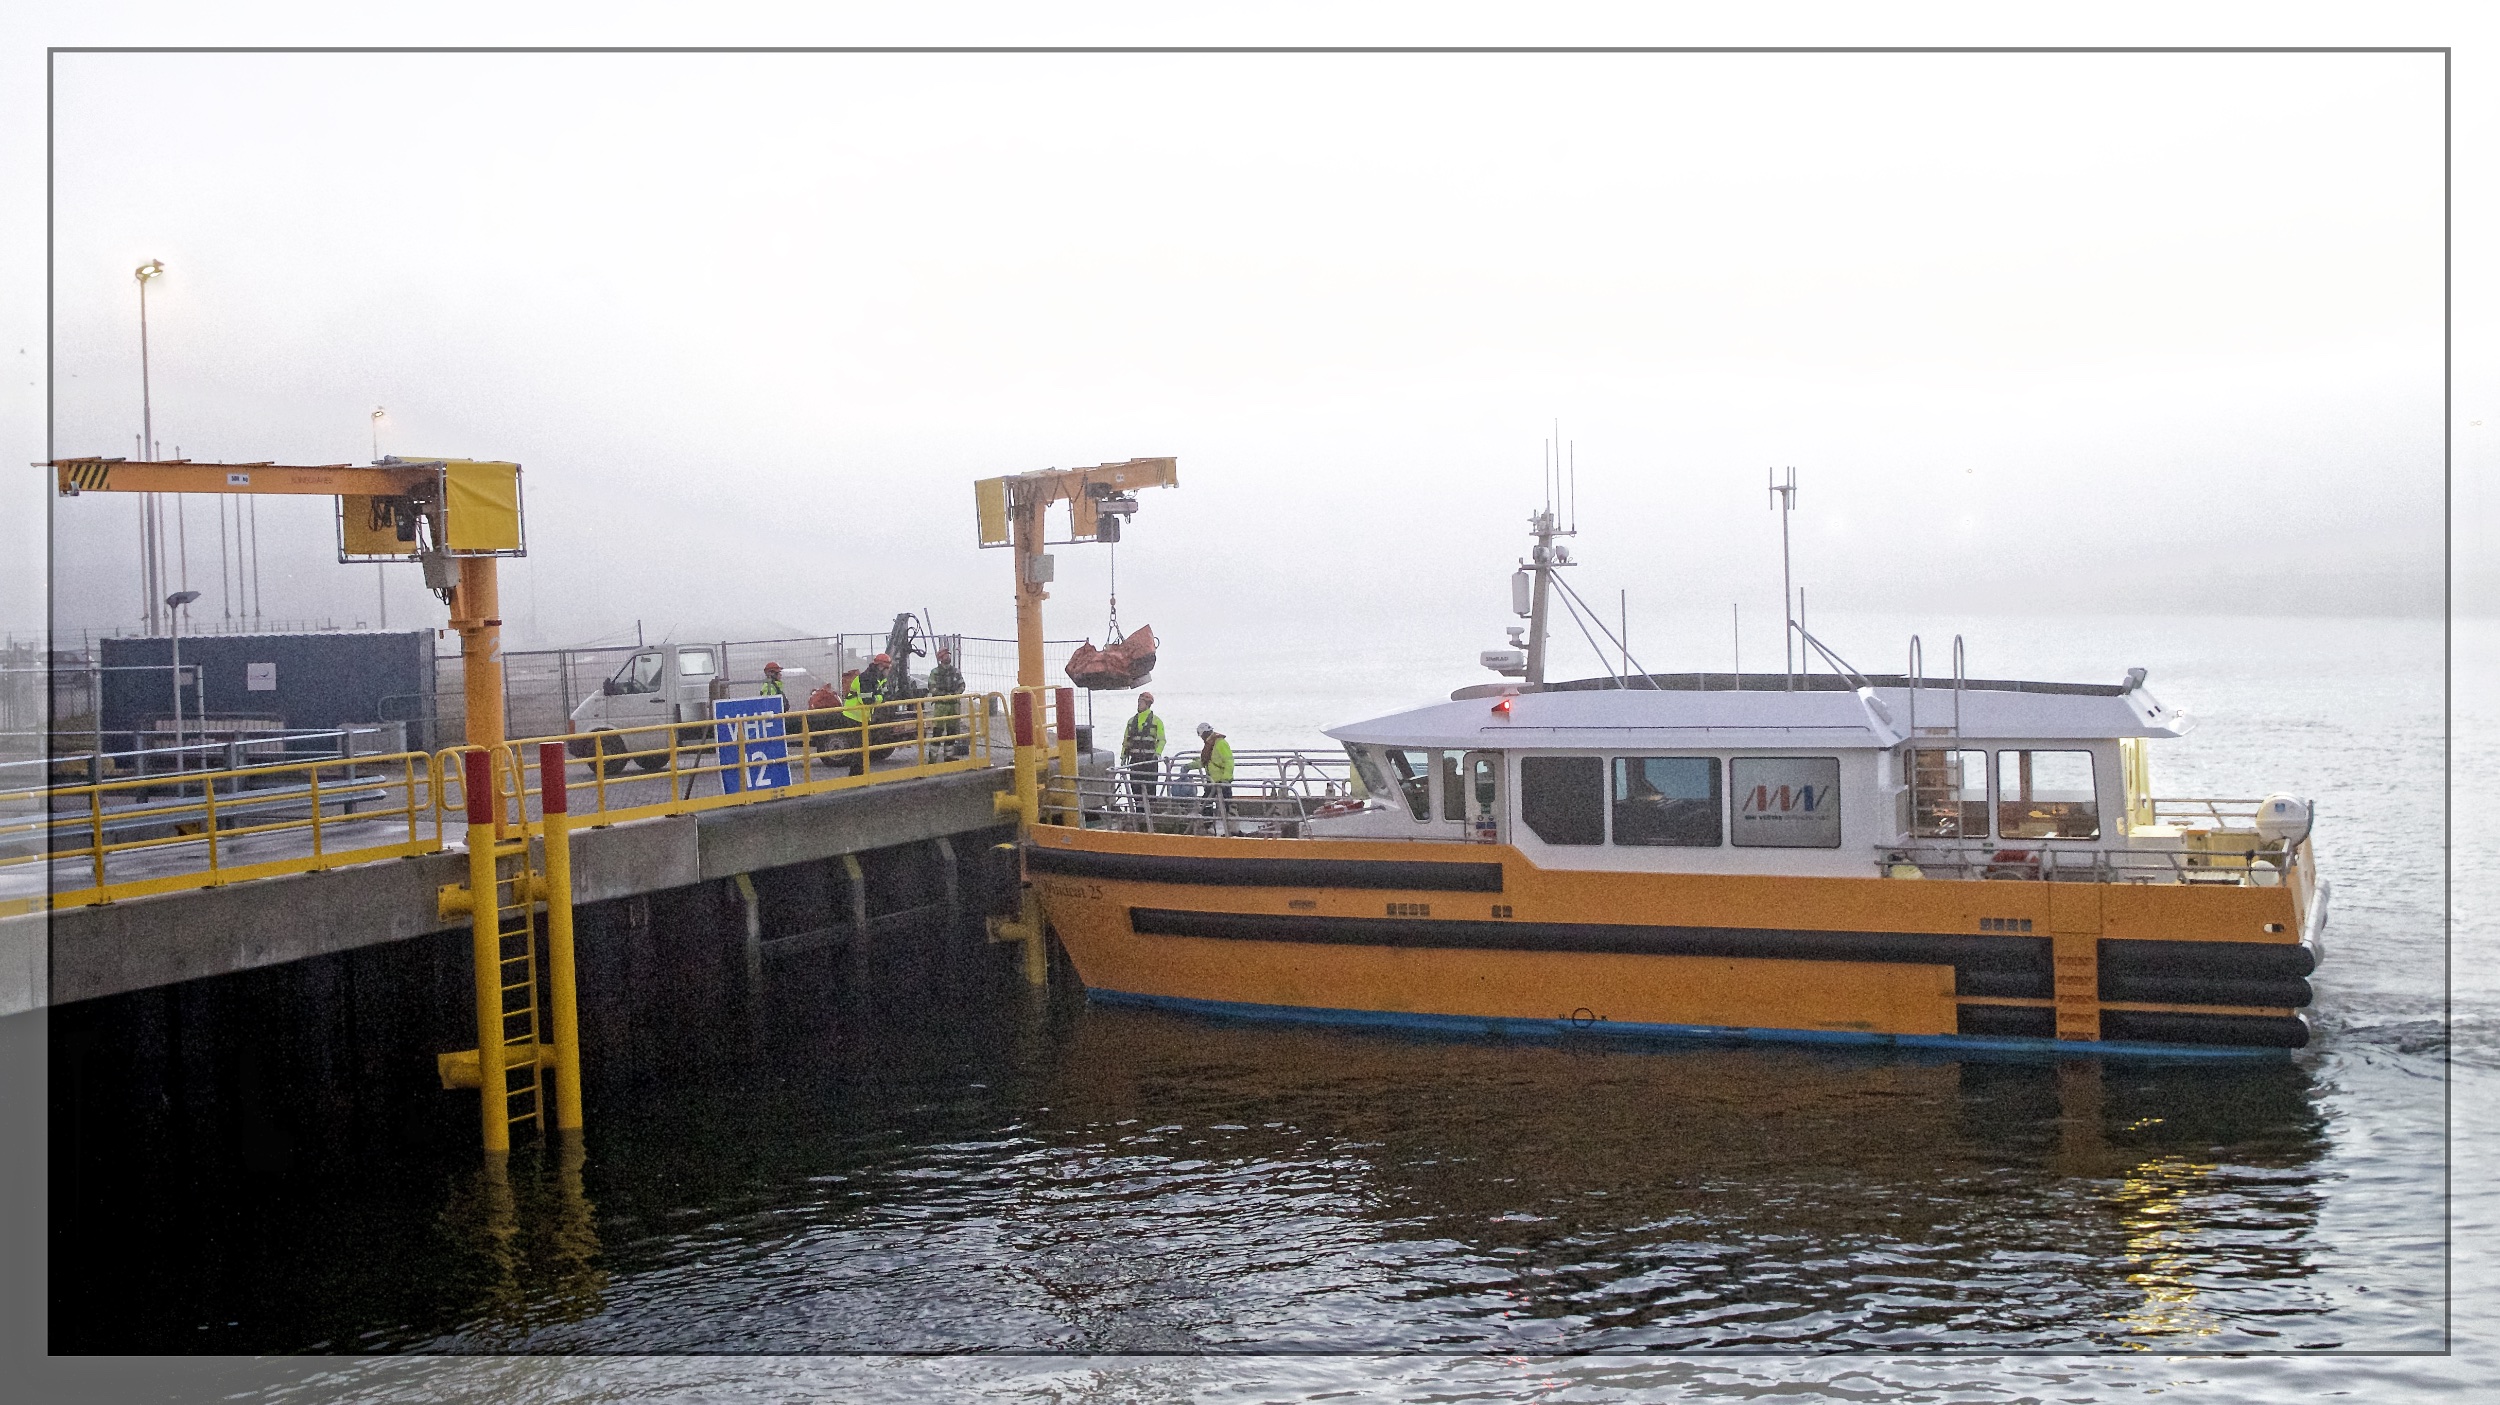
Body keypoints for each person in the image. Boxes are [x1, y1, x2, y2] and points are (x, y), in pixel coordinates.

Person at [842, 654, 890, 775]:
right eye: (887, 668)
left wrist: (879, 698)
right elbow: (867, 700)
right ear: (880, 666)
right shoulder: (867, 678)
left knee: (863, 747)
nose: (889, 671)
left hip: (862, 716)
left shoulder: (877, 677)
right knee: (860, 748)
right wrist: (880, 698)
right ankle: (856, 777)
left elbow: (886, 695)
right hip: (854, 715)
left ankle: (859, 776)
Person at [1122, 691, 1165, 814]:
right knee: (1136, 787)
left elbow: (1161, 740)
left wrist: (1157, 753)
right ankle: (1139, 812)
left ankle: (1150, 813)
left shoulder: (1157, 721)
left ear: (1148, 704)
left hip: (1150, 760)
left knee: (1150, 787)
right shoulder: (1131, 721)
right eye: (1138, 702)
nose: (1139, 704)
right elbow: (1126, 740)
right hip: (1135, 760)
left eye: (1141, 702)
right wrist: (1123, 755)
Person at [1195, 721, 1235, 835]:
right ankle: (1208, 826)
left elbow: (1229, 761)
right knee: (1206, 802)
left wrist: (1226, 779)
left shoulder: (1220, 743)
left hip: (1222, 781)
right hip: (1212, 781)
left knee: (1226, 805)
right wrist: (1190, 766)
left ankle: (1229, 828)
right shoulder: (1209, 744)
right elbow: (1205, 762)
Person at [927, 645, 965, 759]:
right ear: (940, 658)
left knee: (952, 731)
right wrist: (942, 696)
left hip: (953, 705)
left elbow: (962, 685)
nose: (948, 656)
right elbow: (932, 687)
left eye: (948, 654)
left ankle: (949, 756)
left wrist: (955, 694)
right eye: (945, 655)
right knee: (937, 731)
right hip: (941, 705)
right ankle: (932, 757)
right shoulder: (935, 672)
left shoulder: (956, 671)